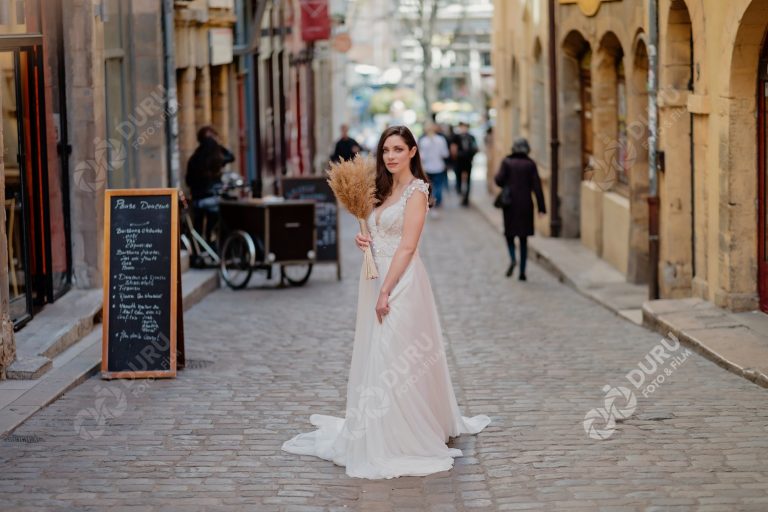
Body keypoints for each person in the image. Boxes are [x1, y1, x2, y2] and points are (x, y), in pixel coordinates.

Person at [282, 125, 490, 479]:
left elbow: (408, 246)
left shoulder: (417, 192)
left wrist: (386, 290)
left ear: (412, 152)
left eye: (397, 149)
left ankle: (403, 432)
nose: (390, 156)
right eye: (385, 150)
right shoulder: (381, 189)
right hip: (376, 278)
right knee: (377, 349)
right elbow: (376, 232)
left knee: (395, 353)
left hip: (402, 281)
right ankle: (378, 424)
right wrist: (365, 243)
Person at [494, 137, 546, 281]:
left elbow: (498, 180)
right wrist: (542, 208)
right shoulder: (530, 164)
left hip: (510, 205)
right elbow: (537, 187)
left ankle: (512, 258)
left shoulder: (507, 162)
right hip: (526, 205)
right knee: (523, 239)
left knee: (509, 235)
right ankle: (522, 272)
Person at [185, 126, 235, 241]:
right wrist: (217, 144)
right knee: (213, 228)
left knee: (197, 229)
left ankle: (200, 252)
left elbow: (188, 180)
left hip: (198, 199)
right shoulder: (217, 157)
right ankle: (212, 246)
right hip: (212, 198)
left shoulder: (194, 158)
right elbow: (231, 157)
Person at [418, 122, 450, 211]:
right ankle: (437, 202)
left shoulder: (423, 141)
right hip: (438, 166)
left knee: (429, 187)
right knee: (439, 186)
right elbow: (445, 154)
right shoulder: (441, 140)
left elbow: (421, 156)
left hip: (427, 167)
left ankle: (431, 202)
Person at [450, 122, 478, 207]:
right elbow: (453, 149)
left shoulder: (471, 137)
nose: (463, 129)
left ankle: (466, 198)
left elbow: (475, 148)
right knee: (458, 179)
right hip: (459, 162)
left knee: (468, 180)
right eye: (462, 127)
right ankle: (460, 192)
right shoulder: (456, 137)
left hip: (468, 161)